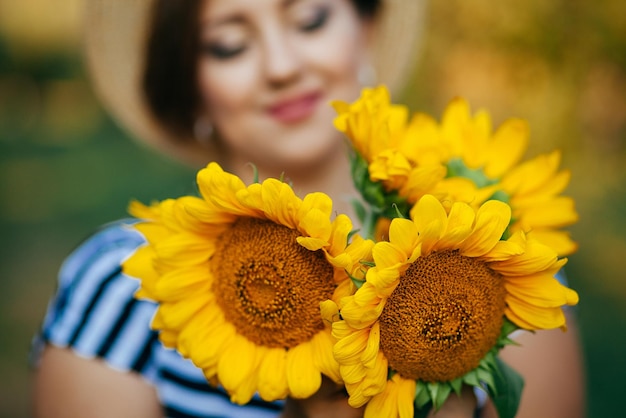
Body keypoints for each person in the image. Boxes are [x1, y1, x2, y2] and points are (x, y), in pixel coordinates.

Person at [31, 0, 585, 417]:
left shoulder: (499, 267)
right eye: (228, 44)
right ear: (193, 87)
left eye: (310, 19)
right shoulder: (126, 285)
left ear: (365, 30)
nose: (281, 66)